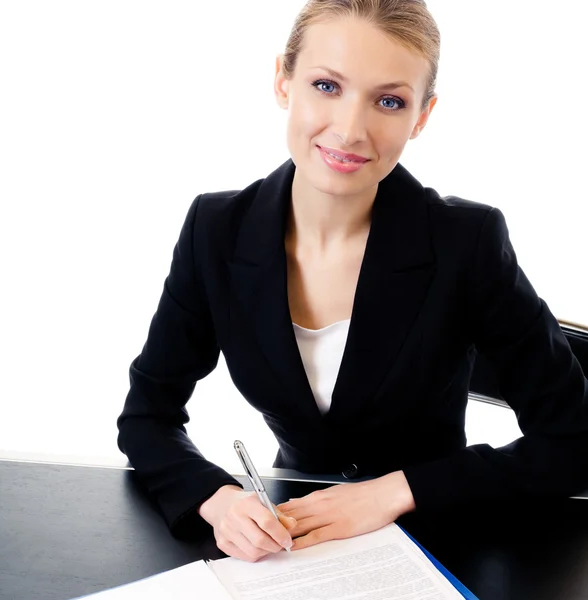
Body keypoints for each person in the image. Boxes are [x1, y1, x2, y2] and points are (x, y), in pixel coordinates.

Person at [116, 0, 588, 563]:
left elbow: (573, 440)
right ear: (282, 81)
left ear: (422, 116)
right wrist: (217, 499)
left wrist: (397, 491)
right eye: (326, 86)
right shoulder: (216, 231)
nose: (349, 129)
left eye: (389, 101)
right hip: (286, 540)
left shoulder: (467, 241)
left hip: (437, 536)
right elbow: (147, 417)